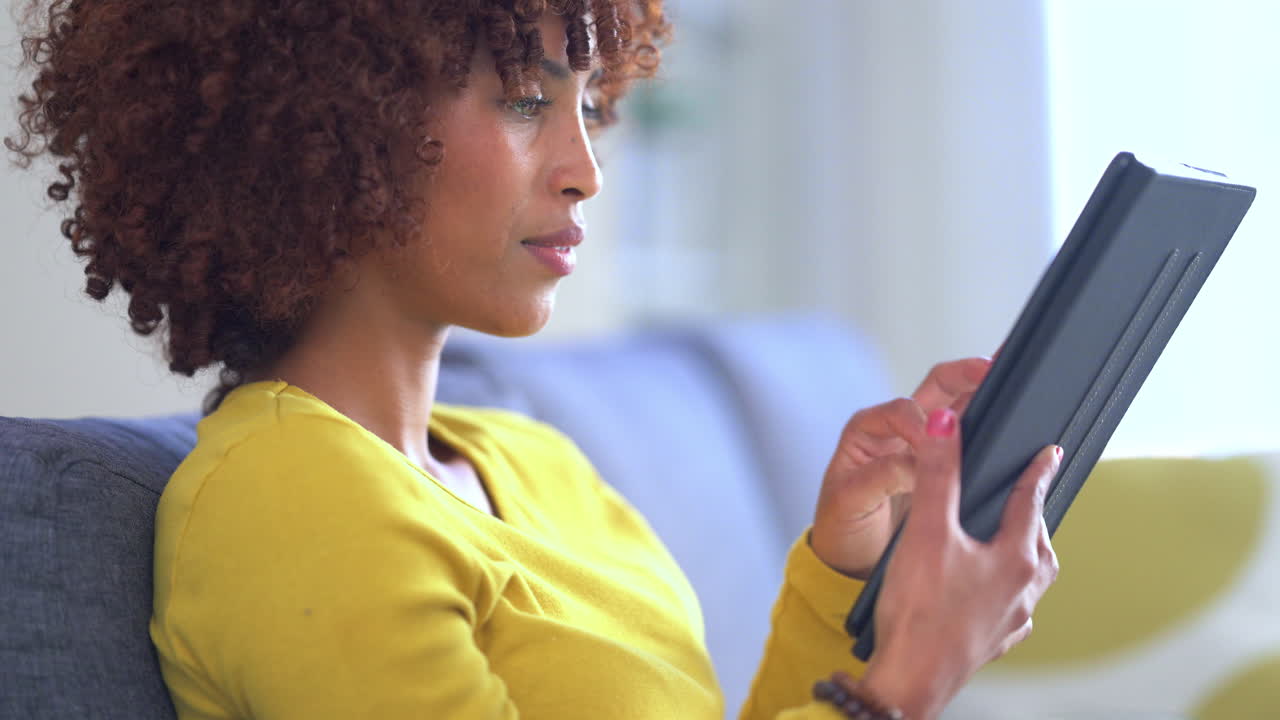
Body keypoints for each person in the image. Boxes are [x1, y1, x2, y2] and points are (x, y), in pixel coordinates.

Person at [7, 1, 1060, 718]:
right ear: (335, 123)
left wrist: (841, 569)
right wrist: (903, 684)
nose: (586, 171)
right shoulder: (288, 500)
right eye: (524, 101)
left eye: (591, 108)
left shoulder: (537, 466)